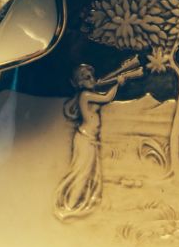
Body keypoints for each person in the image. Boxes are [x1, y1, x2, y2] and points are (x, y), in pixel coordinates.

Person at [54, 64, 128, 221]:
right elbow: (107, 98)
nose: (92, 79)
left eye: (92, 76)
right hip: (85, 139)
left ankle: (74, 205)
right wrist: (117, 83)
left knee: (86, 175)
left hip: (90, 139)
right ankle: (69, 207)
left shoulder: (88, 95)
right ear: (80, 82)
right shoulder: (85, 95)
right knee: (81, 175)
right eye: (87, 77)